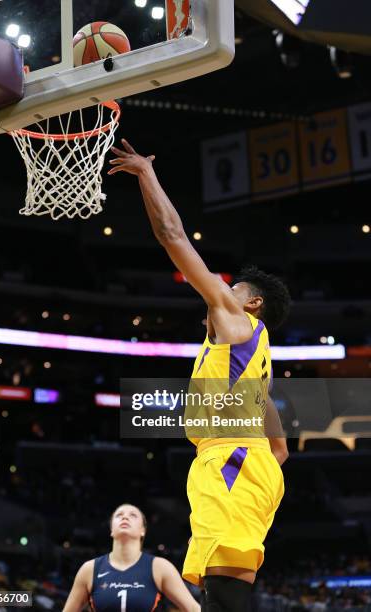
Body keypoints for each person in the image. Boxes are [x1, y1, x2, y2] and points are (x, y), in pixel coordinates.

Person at [108, 140, 291, 612]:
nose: (220, 290)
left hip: (231, 461)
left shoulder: (234, 317)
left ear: (251, 302)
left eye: (231, 288)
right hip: (245, 462)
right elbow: (280, 448)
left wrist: (146, 174)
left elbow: (173, 236)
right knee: (220, 594)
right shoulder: (257, 363)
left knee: (224, 598)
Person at [63, 503, 200, 611]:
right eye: (119, 515)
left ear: (142, 530)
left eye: (133, 515)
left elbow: (194, 608)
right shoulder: (90, 569)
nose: (125, 517)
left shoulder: (159, 567)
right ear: (111, 530)